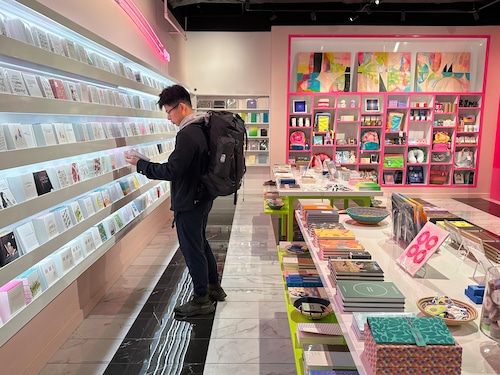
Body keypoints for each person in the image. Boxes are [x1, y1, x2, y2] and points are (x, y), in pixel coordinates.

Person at [124, 84, 226, 317]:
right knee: (200, 242)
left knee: (192, 249)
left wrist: (141, 165)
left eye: (169, 112)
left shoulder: (188, 134)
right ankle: (214, 287)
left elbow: (173, 170)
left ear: (181, 107)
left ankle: (201, 299)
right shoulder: (202, 125)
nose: (169, 118)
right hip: (202, 195)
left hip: (190, 199)